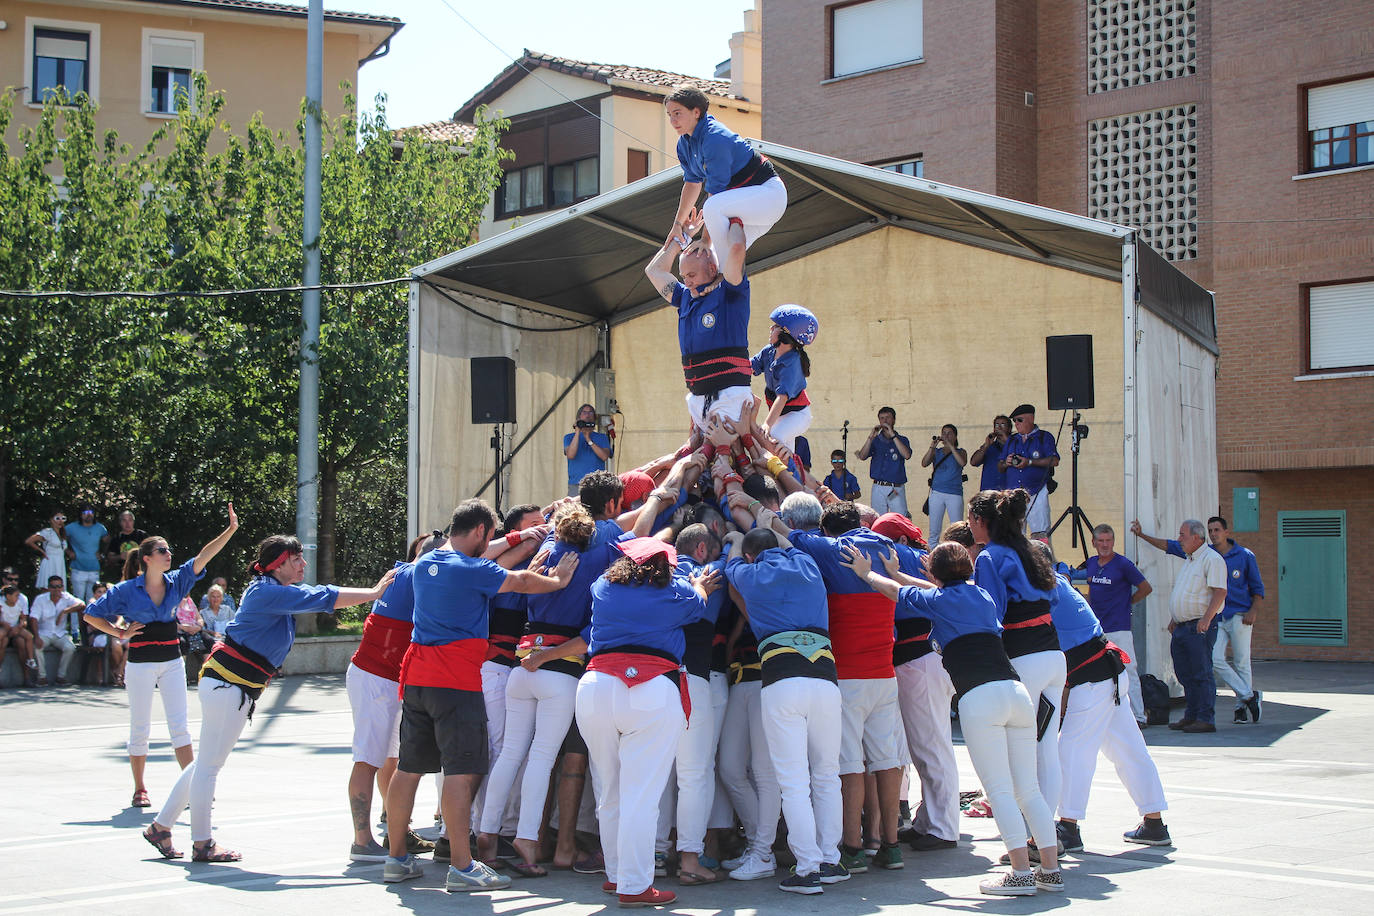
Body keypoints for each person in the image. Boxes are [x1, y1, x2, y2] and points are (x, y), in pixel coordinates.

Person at [142, 533, 398, 863]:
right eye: (296, 559)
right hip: (228, 686)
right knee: (208, 766)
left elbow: (316, 594)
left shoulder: (273, 591)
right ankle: (202, 843)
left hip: (229, 686)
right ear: (278, 565)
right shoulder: (269, 592)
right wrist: (375, 592)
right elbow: (323, 597)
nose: (303, 564)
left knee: (203, 763)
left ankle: (161, 827)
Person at [842, 542, 1063, 895]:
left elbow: (898, 593)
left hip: (981, 697)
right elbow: (929, 589)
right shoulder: (981, 597)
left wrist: (867, 573)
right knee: (1027, 788)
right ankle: (1049, 870)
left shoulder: (940, 602)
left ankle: (1020, 873)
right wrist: (897, 571)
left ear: (934, 572)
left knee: (1001, 790)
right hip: (1016, 693)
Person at [382, 499, 576, 893]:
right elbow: (520, 582)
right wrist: (558, 581)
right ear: (481, 532)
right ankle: (462, 866)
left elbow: (481, 556)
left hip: (418, 678)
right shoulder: (473, 569)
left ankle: (396, 859)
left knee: (409, 768)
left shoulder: (425, 563)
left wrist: (516, 539)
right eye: (489, 536)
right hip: (455, 680)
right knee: (462, 769)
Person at [576, 536, 720, 908]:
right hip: (653, 688)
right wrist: (698, 585)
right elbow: (698, 602)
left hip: (596, 686)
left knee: (608, 790)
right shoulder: (676, 591)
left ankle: (617, 874)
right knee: (641, 796)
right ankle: (635, 885)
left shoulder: (604, 586)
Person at [478, 502, 617, 876]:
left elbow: (512, 595)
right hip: (560, 670)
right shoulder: (600, 558)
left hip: (521, 666)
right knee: (542, 758)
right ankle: (526, 839)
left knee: (510, 754)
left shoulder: (542, 555)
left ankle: (486, 830)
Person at [83, 505, 239, 809]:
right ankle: (140, 789)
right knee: (140, 727)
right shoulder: (127, 590)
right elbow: (92, 615)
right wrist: (120, 634)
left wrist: (230, 530)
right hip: (140, 664)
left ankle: (194, 787)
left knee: (180, 726)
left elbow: (205, 555)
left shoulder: (177, 580)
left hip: (171, 662)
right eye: (162, 550)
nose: (169, 554)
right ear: (147, 558)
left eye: (168, 550)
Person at [725, 527, 846, 894]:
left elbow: (730, 564)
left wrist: (732, 538)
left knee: (793, 783)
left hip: (782, 681)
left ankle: (808, 868)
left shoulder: (748, 572)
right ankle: (830, 860)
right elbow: (794, 545)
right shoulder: (808, 565)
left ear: (750, 555)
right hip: (826, 679)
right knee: (827, 775)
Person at [1036, 545, 1171, 853]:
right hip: (1110, 674)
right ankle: (1154, 822)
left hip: (1093, 680)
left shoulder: (1047, 591)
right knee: (1129, 750)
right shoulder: (1061, 583)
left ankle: (1068, 827)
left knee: (1071, 751)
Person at [968, 489, 1066, 837]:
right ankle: (1046, 833)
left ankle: (1028, 839)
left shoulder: (989, 557)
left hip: (1023, 656)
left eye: (970, 519)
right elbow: (1054, 597)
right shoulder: (1032, 550)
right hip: (1054, 655)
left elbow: (991, 613)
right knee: (1046, 748)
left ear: (981, 521)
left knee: (1018, 754)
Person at [346, 531, 447, 864]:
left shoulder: (401, 572)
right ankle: (363, 842)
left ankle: (396, 831)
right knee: (368, 759)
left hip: (384, 679)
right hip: (376, 679)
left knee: (390, 759)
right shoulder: (419, 576)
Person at [872, 514, 958, 854]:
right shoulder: (923, 557)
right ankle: (930, 821)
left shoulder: (894, 554)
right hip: (928, 660)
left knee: (930, 747)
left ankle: (942, 826)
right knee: (929, 746)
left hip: (919, 660)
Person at [1136, 516, 1265, 724]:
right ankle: (1243, 697)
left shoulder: (1231, 557)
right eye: (1211, 530)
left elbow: (1238, 590)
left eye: (1217, 530)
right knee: (1203, 665)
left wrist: (1253, 610)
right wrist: (1141, 534)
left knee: (1236, 663)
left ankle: (1237, 706)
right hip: (1209, 619)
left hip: (1233, 616)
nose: (1214, 534)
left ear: (1225, 532)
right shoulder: (1191, 557)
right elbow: (1169, 547)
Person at [645, 217, 754, 443]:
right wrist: (682, 238)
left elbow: (736, 247)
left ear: (713, 268)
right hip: (697, 397)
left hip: (729, 394)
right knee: (699, 467)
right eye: (684, 276)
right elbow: (654, 271)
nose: (688, 282)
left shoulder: (730, 292)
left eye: (692, 275)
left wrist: (729, 217)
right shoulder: (685, 297)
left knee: (727, 464)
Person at [664, 86, 787, 266]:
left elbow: (717, 195)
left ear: (696, 112)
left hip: (769, 198)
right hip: (747, 208)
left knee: (711, 223)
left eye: (677, 113)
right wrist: (677, 225)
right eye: (669, 115)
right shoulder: (684, 143)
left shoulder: (715, 138)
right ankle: (719, 287)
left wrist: (705, 240)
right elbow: (692, 183)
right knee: (713, 263)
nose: (672, 120)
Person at [1131, 518, 1229, 732]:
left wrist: (1207, 619)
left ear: (1197, 537)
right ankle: (1191, 715)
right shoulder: (1190, 559)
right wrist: (1175, 618)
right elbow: (1187, 592)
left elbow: (1220, 592)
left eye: (1182, 535)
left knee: (1201, 672)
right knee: (1184, 673)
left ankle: (1205, 718)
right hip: (1183, 627)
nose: (1179, 539)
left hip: (1199, 627)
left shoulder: (1212, 559)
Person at [1078, 524, 1152, 725]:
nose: (1104, 545)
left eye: (1108, 540)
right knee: (1098, 674)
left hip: (1119, 628)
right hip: (1097, 631)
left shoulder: (1123, 564)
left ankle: (1138, 716)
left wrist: (1128, 603)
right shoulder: (1092, 563)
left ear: (1113, 542)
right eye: (1100, 541)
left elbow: (1146, 588)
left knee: (1128, 670)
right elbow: (1092, 591)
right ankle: (1103, 715)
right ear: (1093, 543)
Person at [752, 304, 818, 453]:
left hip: (797, 416)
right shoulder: (769, 351)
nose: (770, 328)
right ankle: (791, 475)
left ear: (786, 335)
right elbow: (750, 366)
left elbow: (782, 398)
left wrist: (767, 425)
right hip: (781, 416)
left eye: (775, 326)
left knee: (772, 438)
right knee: (783, 455)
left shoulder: (792, 362)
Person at [1002, 405, 1059, 538]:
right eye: (1014, 421)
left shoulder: (1044, 437)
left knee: (1040, 535)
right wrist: (1007, 462)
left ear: (1031, 419)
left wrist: (1029, 462)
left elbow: (1054, 460)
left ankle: (1042, 559)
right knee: (1014, 535)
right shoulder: (1012, 439)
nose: (1016, 424)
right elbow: (1000, 465)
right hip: (1013, 495)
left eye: (1019, 420)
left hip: (1036, 491)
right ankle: (1017, 559)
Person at [855, 407, 912, 517]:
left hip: (895, 487)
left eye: (888, 418)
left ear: (894, 420)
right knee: (877, 517)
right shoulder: (876, 440)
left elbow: (907, 455)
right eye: (882, 418)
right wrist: (870, 438)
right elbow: (862, 456)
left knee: (899, 518)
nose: (885, 421)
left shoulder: (902, 439)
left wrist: (893, 435)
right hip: (878, 486)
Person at [29, 575, 84, 686]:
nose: (57, 589)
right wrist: (36, 636)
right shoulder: (41, 599)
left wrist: (64, 611)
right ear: (49, 588)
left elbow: (82, 604)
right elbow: (33, 618)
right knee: (37, 647)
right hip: (44, 633)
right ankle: (42, 677)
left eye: (59, 586)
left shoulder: (66, 597)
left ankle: (61, 676)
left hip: (60, 634)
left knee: (70, 648)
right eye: (54, 587)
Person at [920, 424, 967, 541]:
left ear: (955, 436)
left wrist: (951, 446)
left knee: (957, 529)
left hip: (954, 493)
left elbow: (962, 462)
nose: (945, 436)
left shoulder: (961, 452)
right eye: (944, 433)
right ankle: (932, 553)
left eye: (949, 433)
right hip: (937, 492)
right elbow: (924, 463)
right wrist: (932, 447)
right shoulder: (937, 452)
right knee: (934, 530)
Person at [564, 403, 614, 497]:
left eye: (590, 412)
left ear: (594, 417)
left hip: (597, 484)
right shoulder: (569, 438)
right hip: (576, 483)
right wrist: (578, 432)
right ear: (579, 417)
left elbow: (604, 456)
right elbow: (571, 455)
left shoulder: (601, 437)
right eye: (584, 412)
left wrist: (588, 439)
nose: (587, 415)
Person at [65, 507, 108, 603]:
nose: (88, 514)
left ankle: (90, 619)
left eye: (91, 512)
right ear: (80, 514)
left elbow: (108, 540)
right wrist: (68, 552)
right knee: (77, 601)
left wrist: (102, 554)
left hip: (94, 569)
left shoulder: (100, 528)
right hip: (78, 569)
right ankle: (76, 619)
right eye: (85, 512)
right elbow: (60, 538)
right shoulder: (71, 527)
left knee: (93, 600)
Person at [1, 583, 38, 686]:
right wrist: (5, 625)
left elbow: (23, 620)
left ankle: (27, 675)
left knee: (23, 642)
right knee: (2, 641)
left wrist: (18, 627)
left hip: (15, 629)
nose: (18, 597)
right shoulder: (2, 603)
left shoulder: (20, 602)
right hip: (5, 629)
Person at [970, 415, 1012, 492]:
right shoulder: (989, 445)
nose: (999, 427)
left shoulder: (1016, 444)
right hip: (989, 490)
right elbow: (973, 462)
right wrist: (986, 446)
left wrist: (1006, 439)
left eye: (1003, 424)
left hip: (1008, 490)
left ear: (1009, 428)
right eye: (996, 425)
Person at [26, 512, 68, 589]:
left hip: (60, 563)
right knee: (47, 587)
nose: (60, 521)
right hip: (50, 562)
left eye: (63, 518)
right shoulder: (48, 532)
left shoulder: (62, 534)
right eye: (57, 518)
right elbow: (29, 541)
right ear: (51, 520)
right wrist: (41, 551)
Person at [175, 596, 209, 685]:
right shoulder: (172, 599)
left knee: (208, 641)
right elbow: (170, 620)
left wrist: (199, 627)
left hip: (195, 630)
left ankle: (206, 676)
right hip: (180, 630)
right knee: (182, 643)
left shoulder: (190, 601)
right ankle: (182, 677)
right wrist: (184, 628)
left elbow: (199, 618)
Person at [104, 511, 148, 578]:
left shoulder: (142, 535)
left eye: (130, 520)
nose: (127, 523)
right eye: (124, 520)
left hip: (142, 572)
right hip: (123, 573)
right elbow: (110, 558)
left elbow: (152, 551)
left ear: (133, 521)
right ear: (120, 523)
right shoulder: (116, 538)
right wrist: (120, 556)